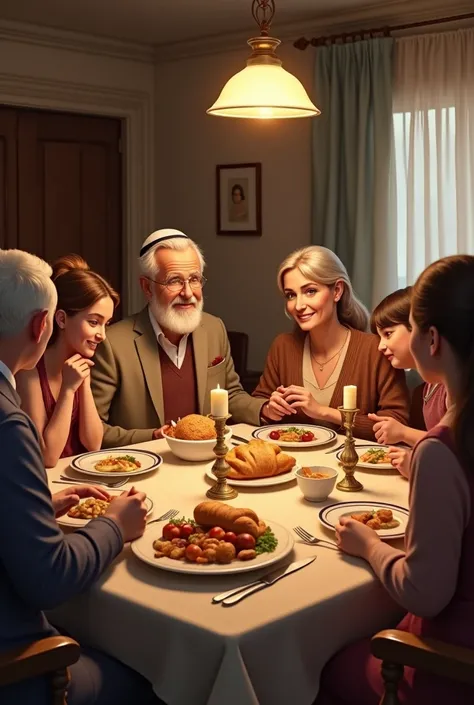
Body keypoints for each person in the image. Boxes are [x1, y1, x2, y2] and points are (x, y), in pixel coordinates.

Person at [0, 249, 161, 705]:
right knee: (162, 673)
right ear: (42, 326)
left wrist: (33, 510)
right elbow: (49, 580)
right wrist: (114, 524)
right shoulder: (9, 422)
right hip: (21, 668)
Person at [316, 254, 474, 705]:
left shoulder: (444, 449)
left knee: (317, 666)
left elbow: (423, 593)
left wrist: (368, 544)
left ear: (432, 339)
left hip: (447, 664)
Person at [91, 229, 265, 448]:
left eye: (194, 279)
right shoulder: (113, 343)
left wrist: (264, 410)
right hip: (146, 470)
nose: (188, 292)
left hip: (207, 462)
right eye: (174, 281)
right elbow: (93, 428)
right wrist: (152, 437)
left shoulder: (214, 328)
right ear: (147, 287)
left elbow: (230, 396)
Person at [252, 246, 409, 441]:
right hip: (293, 466)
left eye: (310, 291)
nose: (299, 305)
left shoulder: (375, 349)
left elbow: (397, 423)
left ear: (337, 291)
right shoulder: (282, 346)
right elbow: (259, 401)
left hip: (355, 467)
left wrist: (324, 412)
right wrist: (269, 408)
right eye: (291, 295)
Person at [16, 255, 119, 468]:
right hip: (48, 488)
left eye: (106, 324)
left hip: (83, 484)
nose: (102, 335)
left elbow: (93, 444)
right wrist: (69, 390)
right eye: (93, 322)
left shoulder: (80, 366)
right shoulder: (30, 371)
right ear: (61, 319)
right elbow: (48, 457)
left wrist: (84, 385)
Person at [368, 287, 448, 476]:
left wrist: (404, 433)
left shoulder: (454, 385)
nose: (380, 346)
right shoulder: (430, 384)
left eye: (388, 334)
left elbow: (459, 452)